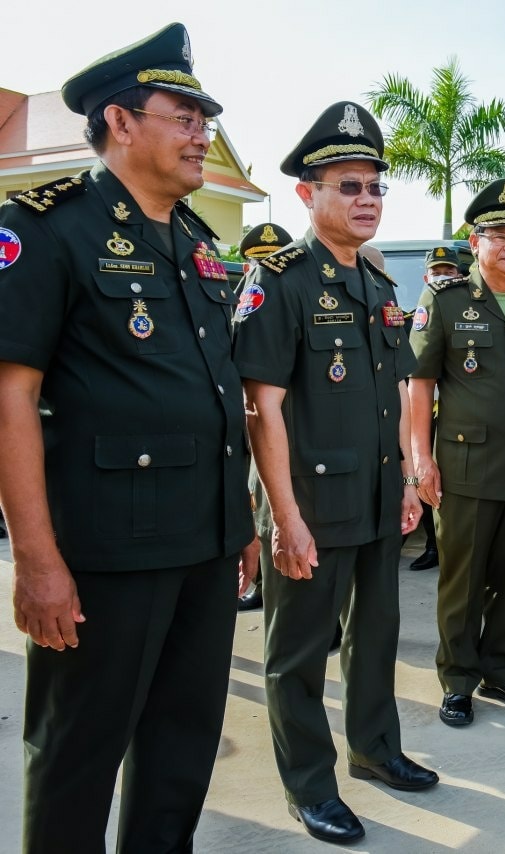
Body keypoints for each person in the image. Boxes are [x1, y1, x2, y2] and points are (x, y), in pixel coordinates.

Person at [0, 23, 259, 852]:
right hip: (106, 555)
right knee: (77, 755)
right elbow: (10, 398)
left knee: (181, 752)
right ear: (119, 120)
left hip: (205, 544)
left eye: (205, 119)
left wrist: (240, 523)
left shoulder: (199, 243)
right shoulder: (47, 227)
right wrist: (36, 561)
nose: (202, 133)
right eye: (183, 116)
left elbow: (215, 395)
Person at [232, 101, 437, 846]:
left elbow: (398, 395)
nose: (366, 199)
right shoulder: (279, 280)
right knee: (296, 656)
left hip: (377, 499)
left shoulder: (380, 287)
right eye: (348, 186)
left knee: (376, 638)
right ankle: (310, 786)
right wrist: (283, 517)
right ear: (306, 194)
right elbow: (261, 410)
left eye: (375, 187)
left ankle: (375, 750)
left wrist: (409, 482)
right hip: (309, 506)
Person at [408, 179, 505, 727]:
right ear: (476, 242)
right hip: (465, 467)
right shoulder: (445, 300)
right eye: (500, 236)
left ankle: (501, 668)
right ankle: (457, 680)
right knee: (463, 581)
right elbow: (420, 384)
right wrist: (420, 459)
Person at [239, 222, 293, 613]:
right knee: (258, 515)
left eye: (275, 261)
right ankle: (260, 585)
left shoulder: (294, 299)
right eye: (259, 263)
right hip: (245, 433)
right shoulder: (238, 304)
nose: (266, 269)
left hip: (285, 433)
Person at [405, 247, 462, 573]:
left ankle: (441, 544)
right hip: (420, 413)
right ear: (426, 278)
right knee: (421, 474)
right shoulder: (411, 320)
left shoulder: (468, 315)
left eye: (449, 272)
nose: (443, 277)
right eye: (437, 272)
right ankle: (431, 543)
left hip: (451, 414)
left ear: (458, 275)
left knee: (448, 481)